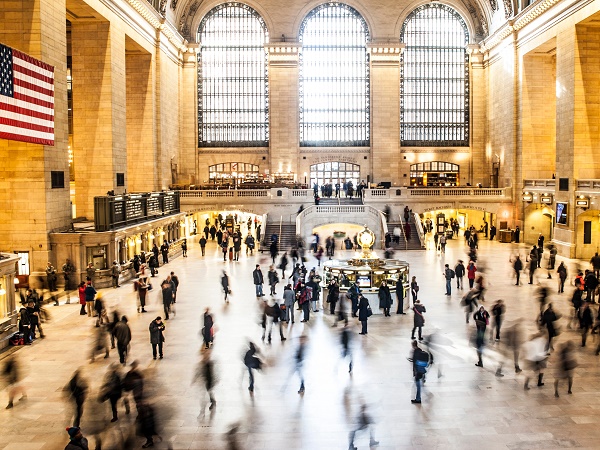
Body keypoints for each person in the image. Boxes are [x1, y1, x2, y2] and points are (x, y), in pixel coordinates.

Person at [411, 340, 431, 404]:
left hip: (418, 370)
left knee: (418, 385)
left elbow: (414, 363)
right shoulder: (420, 350)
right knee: (418, 384)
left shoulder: (415, 352)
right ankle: (418, 398)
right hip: (422, 370)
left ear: (413, 345)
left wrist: (414, 372)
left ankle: (418, 399)